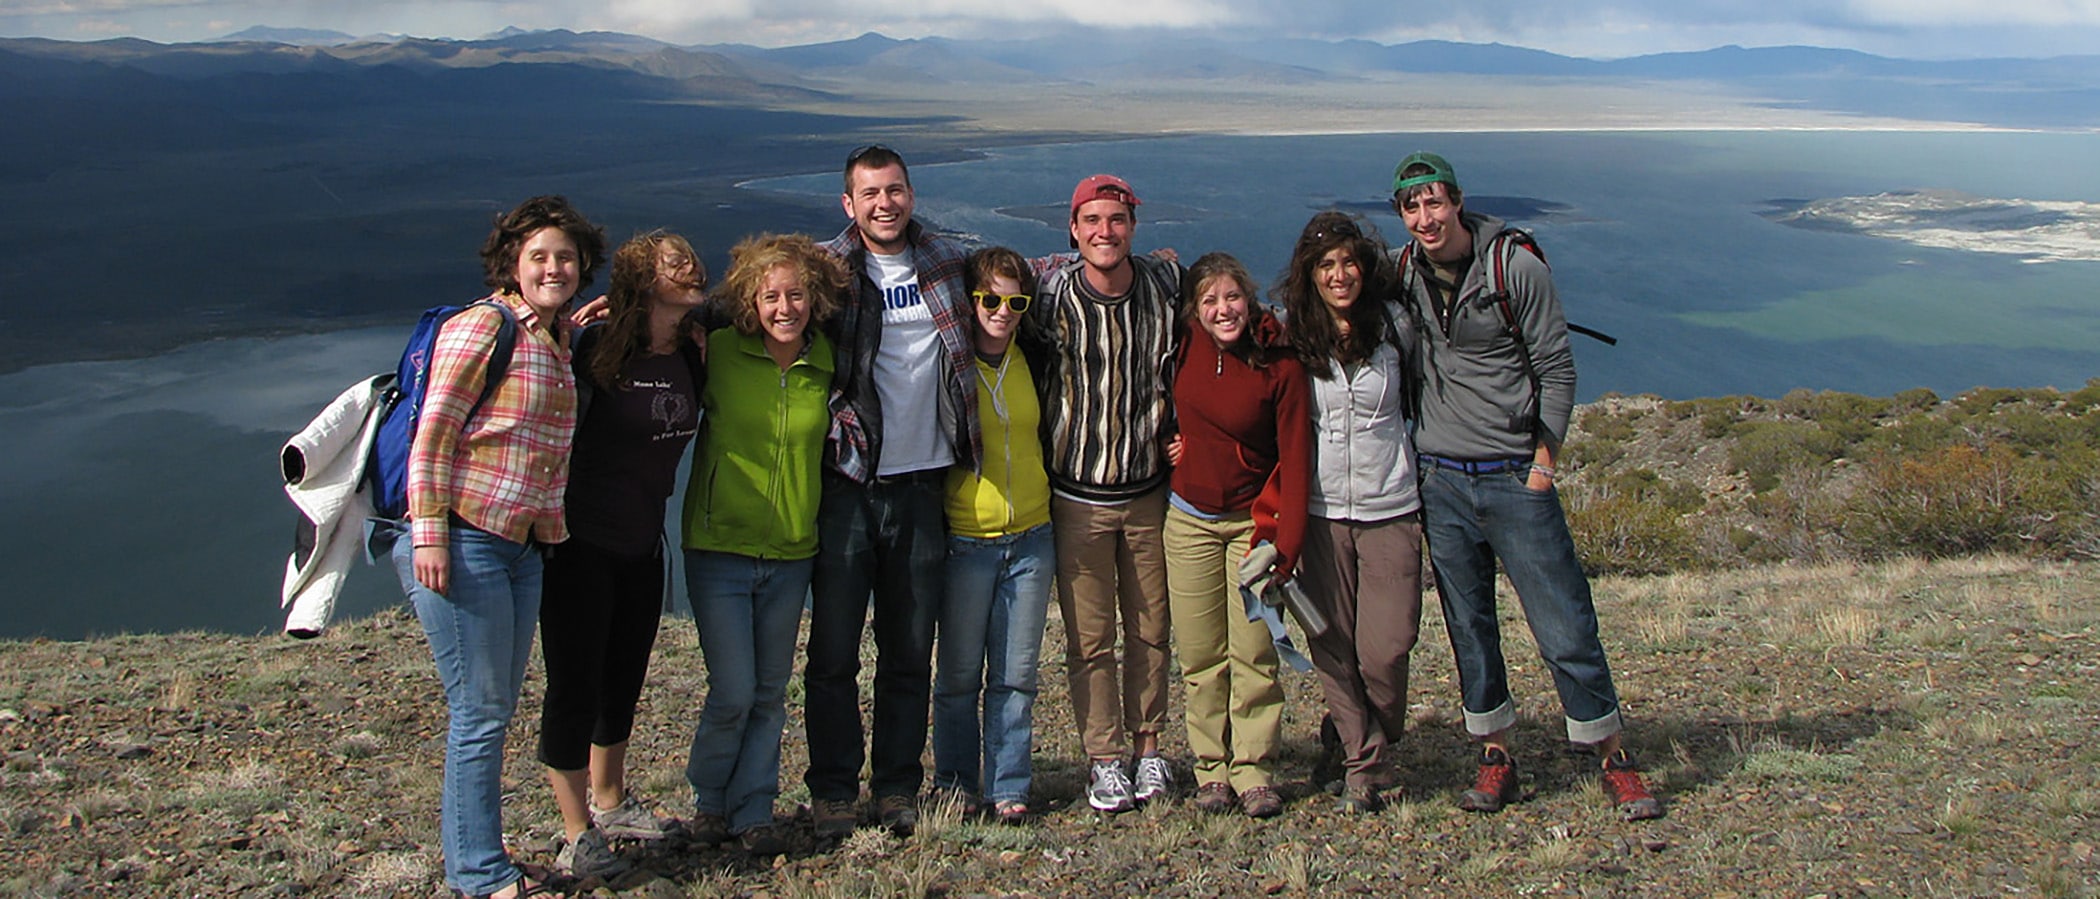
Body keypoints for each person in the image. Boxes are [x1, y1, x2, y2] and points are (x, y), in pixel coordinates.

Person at [1386, 151, 1663, 820]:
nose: (1425, 217)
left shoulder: (1515, 267)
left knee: (1564, 621)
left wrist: (1544, 462)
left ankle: (1612, 755)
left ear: (1457, 201)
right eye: (1411, 206)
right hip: (1441, 479)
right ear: (1401, 214)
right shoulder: (1401, 273)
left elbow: (1557, 370)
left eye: (1435, 202)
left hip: (1513, 474)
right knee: (1469, 626)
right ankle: (1496, 757)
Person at [393, 195, 605, 899]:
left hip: (522, 546)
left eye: (566, 257)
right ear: (512, 262)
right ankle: (480, 872)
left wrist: (575, 328)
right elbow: (434, 434)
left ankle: (478, 856)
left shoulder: (549, 337)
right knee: (480, 712)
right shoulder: (481, 326)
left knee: (487, 708)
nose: (555, 267)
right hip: (465, 539)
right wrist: (430, 535)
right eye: (540, 255)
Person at [804, 144, 982, 838]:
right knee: (835, 652)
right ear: (848, 204)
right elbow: (753, 303)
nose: (885, 203)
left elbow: (1021, 273)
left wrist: (1150, 265)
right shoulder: (826, 269)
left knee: (909, 650)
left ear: (912, 194)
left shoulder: (944, 262)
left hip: (922, 488)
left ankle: (898, 785)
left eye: (896, 190)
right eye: (871, 193)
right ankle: (834, 789)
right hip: (849, 483)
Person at [534, 231, 705, 878]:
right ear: (641, 277)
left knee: (624, 678)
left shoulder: (693, 350)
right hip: (581, 543)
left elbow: (736, 305)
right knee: (574, 683)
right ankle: (577, 829)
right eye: (671, 263)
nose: (689, 268)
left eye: (689, 259)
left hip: (643, 541)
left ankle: (609, 798)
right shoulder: (596, 350)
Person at [1024, 174, 1183, 813]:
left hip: (1148, 492)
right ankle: (1104, 758)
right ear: (1073, 229)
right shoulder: (1050, 293)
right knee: (1090, 638)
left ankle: (1148, 748)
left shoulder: (1166, 287)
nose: (1105, 232)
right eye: (1092, 221)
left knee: (1151, 628)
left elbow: (1218, 325)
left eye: (1116, 220)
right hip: (1076, 496)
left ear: (1134, 229)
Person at [682, 233, 844, 857]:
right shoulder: (717, 351)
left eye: (796, 294)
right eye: (770, 296)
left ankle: (754, 809)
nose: (785, 308)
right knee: (733, 690)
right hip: (719, 545)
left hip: (792, 551)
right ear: (749, 301)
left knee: (771, 692)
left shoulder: (826, 362)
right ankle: (708, 800)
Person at [1277, 211, 1424, 814]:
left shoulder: (1394, 327)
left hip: (1392, 503)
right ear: (1309, 274)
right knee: (1332, 641)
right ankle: (1365, 767)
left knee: (1386, 648)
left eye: (1348, 262)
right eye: (1326, 265)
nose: (1340, 275)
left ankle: (1354, 733)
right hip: (1319, 510)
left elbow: (1424, 395)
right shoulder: (1292, 335)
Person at [1161, 252, 1310, 819]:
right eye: (1209, 301)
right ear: (1195, 311)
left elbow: (1296, 459)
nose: (1222, 310)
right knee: (1200, 655)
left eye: (1232, 297)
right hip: (1188, 519)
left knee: (1254, 652)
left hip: (1253, 524)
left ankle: (1253, 770)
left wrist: (1286, 545)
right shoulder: (1184, 345)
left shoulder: (1281, 362)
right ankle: (1211, 770)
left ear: (1249, 300)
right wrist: (1166, 443)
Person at [930, 247, 1056, 825]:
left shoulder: (1033, 357)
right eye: (989, 299)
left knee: (1015, 675)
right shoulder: (946, 363)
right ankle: (956, 784)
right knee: (957, 675)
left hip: (1032, 537)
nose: (1001, 311)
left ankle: (1008, 785)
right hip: (966, 540)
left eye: (1014, 301)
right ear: (970, 301)